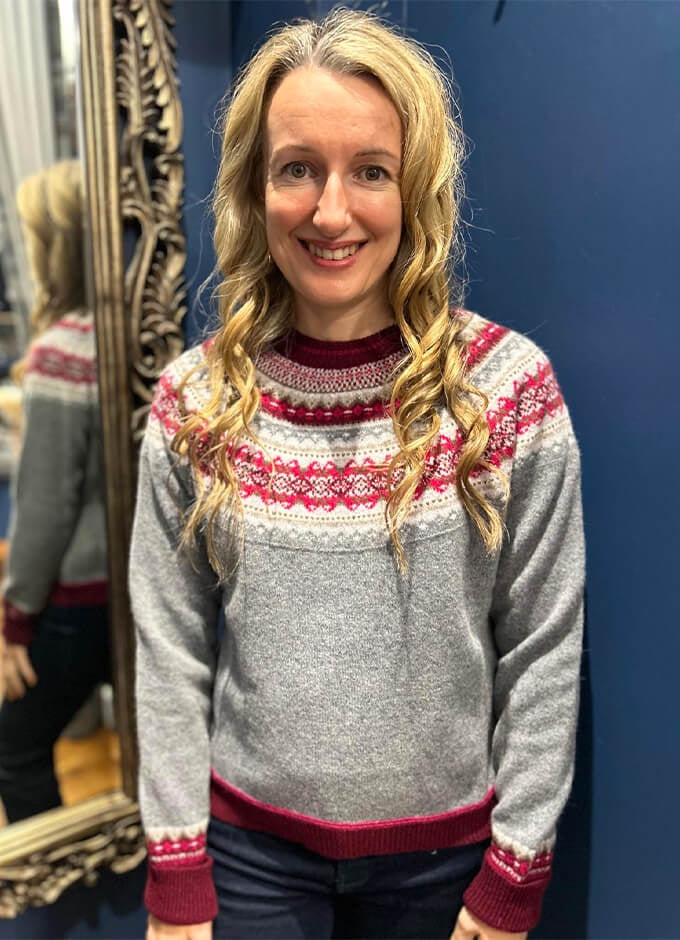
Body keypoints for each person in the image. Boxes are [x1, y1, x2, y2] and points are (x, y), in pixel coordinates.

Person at [130, 9, 584, 940]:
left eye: (371, 171)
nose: (331, 212)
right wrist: (175, 873)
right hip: (248, 860)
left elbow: (543, 648)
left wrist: (514, 874)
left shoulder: (506, 392)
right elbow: (169, 650)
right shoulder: (194, 402)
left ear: (415, 189)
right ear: (255, 188)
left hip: (447, 865)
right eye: (297, 168)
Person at [0, 160, 109, 822]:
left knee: (13, 749)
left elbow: (44, 509)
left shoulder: (61, 352)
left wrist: (15, 621)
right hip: (130, 587)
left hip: (73, 600)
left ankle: (54, 875)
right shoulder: (134, 338)